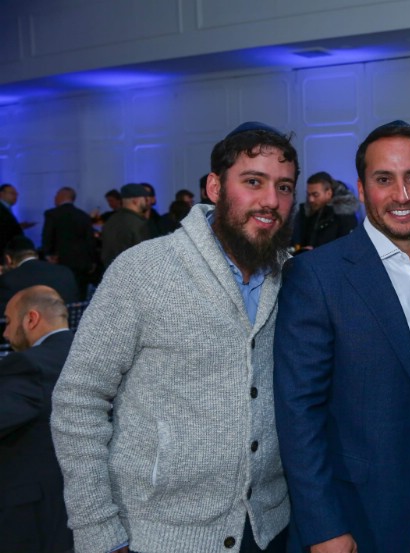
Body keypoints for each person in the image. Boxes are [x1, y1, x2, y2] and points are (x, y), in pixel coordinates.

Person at [51, 121, 298, 553]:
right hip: (159, 533)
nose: (270, 201)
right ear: (215, 188)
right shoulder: (144, 270)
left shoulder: (291, 276)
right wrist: (98, 530)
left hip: (267, 528)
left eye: (284, 187)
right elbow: (78, 400)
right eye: (253, 182)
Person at [274, 120, 410, 553]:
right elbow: (298, 413)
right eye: (384, 179)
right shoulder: (318, 275)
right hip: (356, 509)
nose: (402, 195)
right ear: (363, 190)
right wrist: (323, 525)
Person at [0, 285, 74, 553]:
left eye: (8, 322)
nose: (5, 333)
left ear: (31, 319)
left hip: (32, 520)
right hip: (82, 510)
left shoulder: (28, 365)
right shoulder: (94, 355)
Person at [41, 186, 96, 300]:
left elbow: (47, 236)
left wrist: (48, 255)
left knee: (60, 296)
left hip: (60, 262)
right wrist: (92, 261)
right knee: (80, 295)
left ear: (62, 196)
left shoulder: (52, 214)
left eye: (56, 195)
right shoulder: (83, 216)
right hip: (81, 263)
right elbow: (90, 241)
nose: (54, 197)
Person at [0, 236, 79, 311]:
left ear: (8, 259)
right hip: (67, 320)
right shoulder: (65, 272)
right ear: (36, 254)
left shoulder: (8, 280)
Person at [291, 171, 358, 251]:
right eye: (308, 194)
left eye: (315, 195)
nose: (311, 199)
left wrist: (317, 251)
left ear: (329, 193)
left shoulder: (345, 215)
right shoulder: (305, 213)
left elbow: (349, 249)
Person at [100, 183, 150, 268]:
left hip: (111, 270)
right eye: (145, 198)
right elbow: (144, 255)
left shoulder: (111, 220)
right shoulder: (138, 224)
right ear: (136, 201)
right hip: (133, 271)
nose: (147, 201)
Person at [0, 183, 36, 254]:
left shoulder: (7, 209)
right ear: (1, 194)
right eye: (12, 193)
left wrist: (18, 226)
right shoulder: (2, 209)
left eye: (16, 194)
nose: (15, 196)